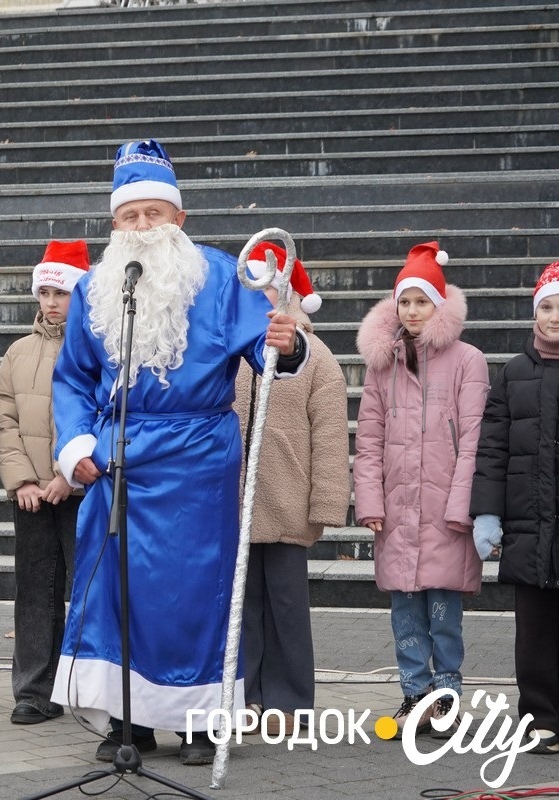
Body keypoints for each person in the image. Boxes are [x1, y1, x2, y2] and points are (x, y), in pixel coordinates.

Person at [50, 139, 306, 766]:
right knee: (118, 591)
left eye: (154, 214)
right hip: (118, 458)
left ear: (179, 220)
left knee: (196, 591)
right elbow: (74, 379)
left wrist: (285, 342)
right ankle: (127, 720)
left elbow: (267, 354)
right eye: (130, 216)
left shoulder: (221, 276)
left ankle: (199, 723)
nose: (142, 228)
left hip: (197, 457)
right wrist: (75, 444)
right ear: (114, 223)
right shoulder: (96, 289)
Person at [353, 241, 488, 739]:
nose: (411, 311)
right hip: (397, 509)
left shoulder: (468, 360)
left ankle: (447, 693)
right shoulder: (382, 365)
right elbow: (368, 439)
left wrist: (462, 506)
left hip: (444, 508)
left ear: (440, 304)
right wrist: (369, 500)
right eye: (404, 301)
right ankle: (414, 690)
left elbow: (473, 438)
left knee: (443, 609)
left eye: (422, 301)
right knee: (405, 609)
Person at [231, 244, 350, 736]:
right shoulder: (234, 345)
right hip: (234, 500)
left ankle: (291, 698)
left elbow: (328, 434)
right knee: (243, 604)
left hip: (287, 498)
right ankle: (248, 693)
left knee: (286, 605)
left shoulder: (316, 356)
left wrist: (325, 501)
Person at [0, 240, 86, 725]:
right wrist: (23, 480)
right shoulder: (17, 352)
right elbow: (3, 420)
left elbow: (102, 412)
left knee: (87, 588)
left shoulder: (99, 344)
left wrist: (67, 475)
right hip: (31, 495)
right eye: (45, 292)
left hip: (82, 489)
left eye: (62, 293)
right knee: (35, 590)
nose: (51, 303)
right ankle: (34, 688)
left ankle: (88, 685)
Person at [469, 259, 559, 756]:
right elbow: (493, 449)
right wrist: (488, 512)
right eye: (547, 307)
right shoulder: (513, 374)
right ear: (534, 313)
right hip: (528, 527)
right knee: (535, 630)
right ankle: (540, 716)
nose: (554, 317)